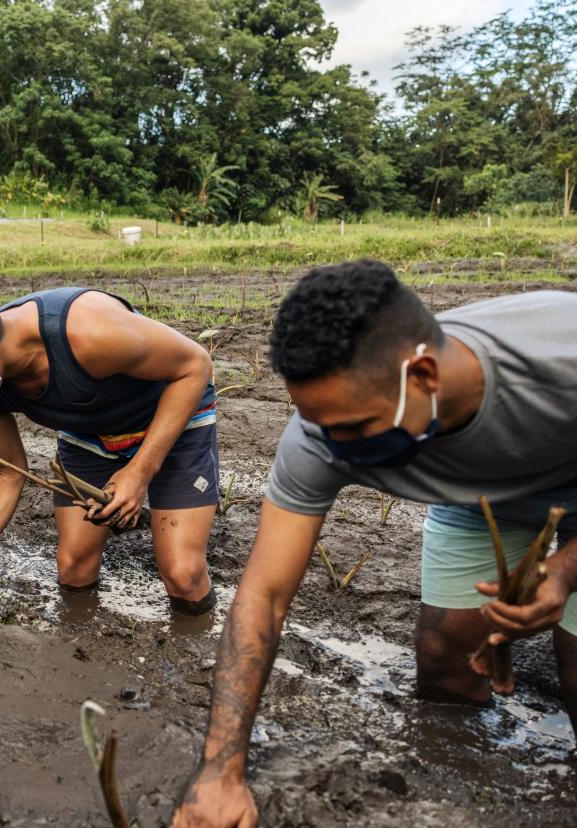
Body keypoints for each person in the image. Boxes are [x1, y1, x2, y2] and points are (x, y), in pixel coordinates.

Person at [173, 260, 577, 827]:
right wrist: (220, 771)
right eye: (319, 424)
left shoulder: (561, 364)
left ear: (425, 377)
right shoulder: (320, 435)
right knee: (443, 655)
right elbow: (263, 594)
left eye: (356, 427)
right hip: (483, 499)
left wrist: (560, 572)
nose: (334, 446)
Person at [0, 285, 219, 613]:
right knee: (74, 567)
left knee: (183, 574)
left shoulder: (91, 331)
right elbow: (4, 470)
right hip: (90, 432)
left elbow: (195, 366)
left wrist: (140, 471)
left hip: (172, 419)